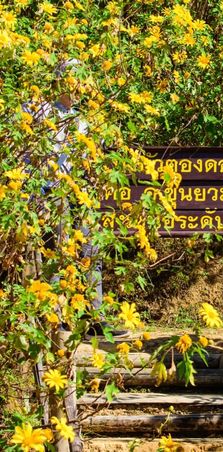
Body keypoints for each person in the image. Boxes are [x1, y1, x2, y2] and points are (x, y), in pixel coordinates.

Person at [23, 59, 129, 338]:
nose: (79, 86)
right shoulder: (39, 110)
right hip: (48, 191)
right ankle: (56, 319)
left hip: (77, 191)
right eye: (73, 80)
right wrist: (33, 192)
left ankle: (94, 318)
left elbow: (93, 156)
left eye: (82, 80)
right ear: (60, 81)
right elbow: (24, 152)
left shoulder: (84, 118)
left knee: (91, 250)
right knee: (57, 254)